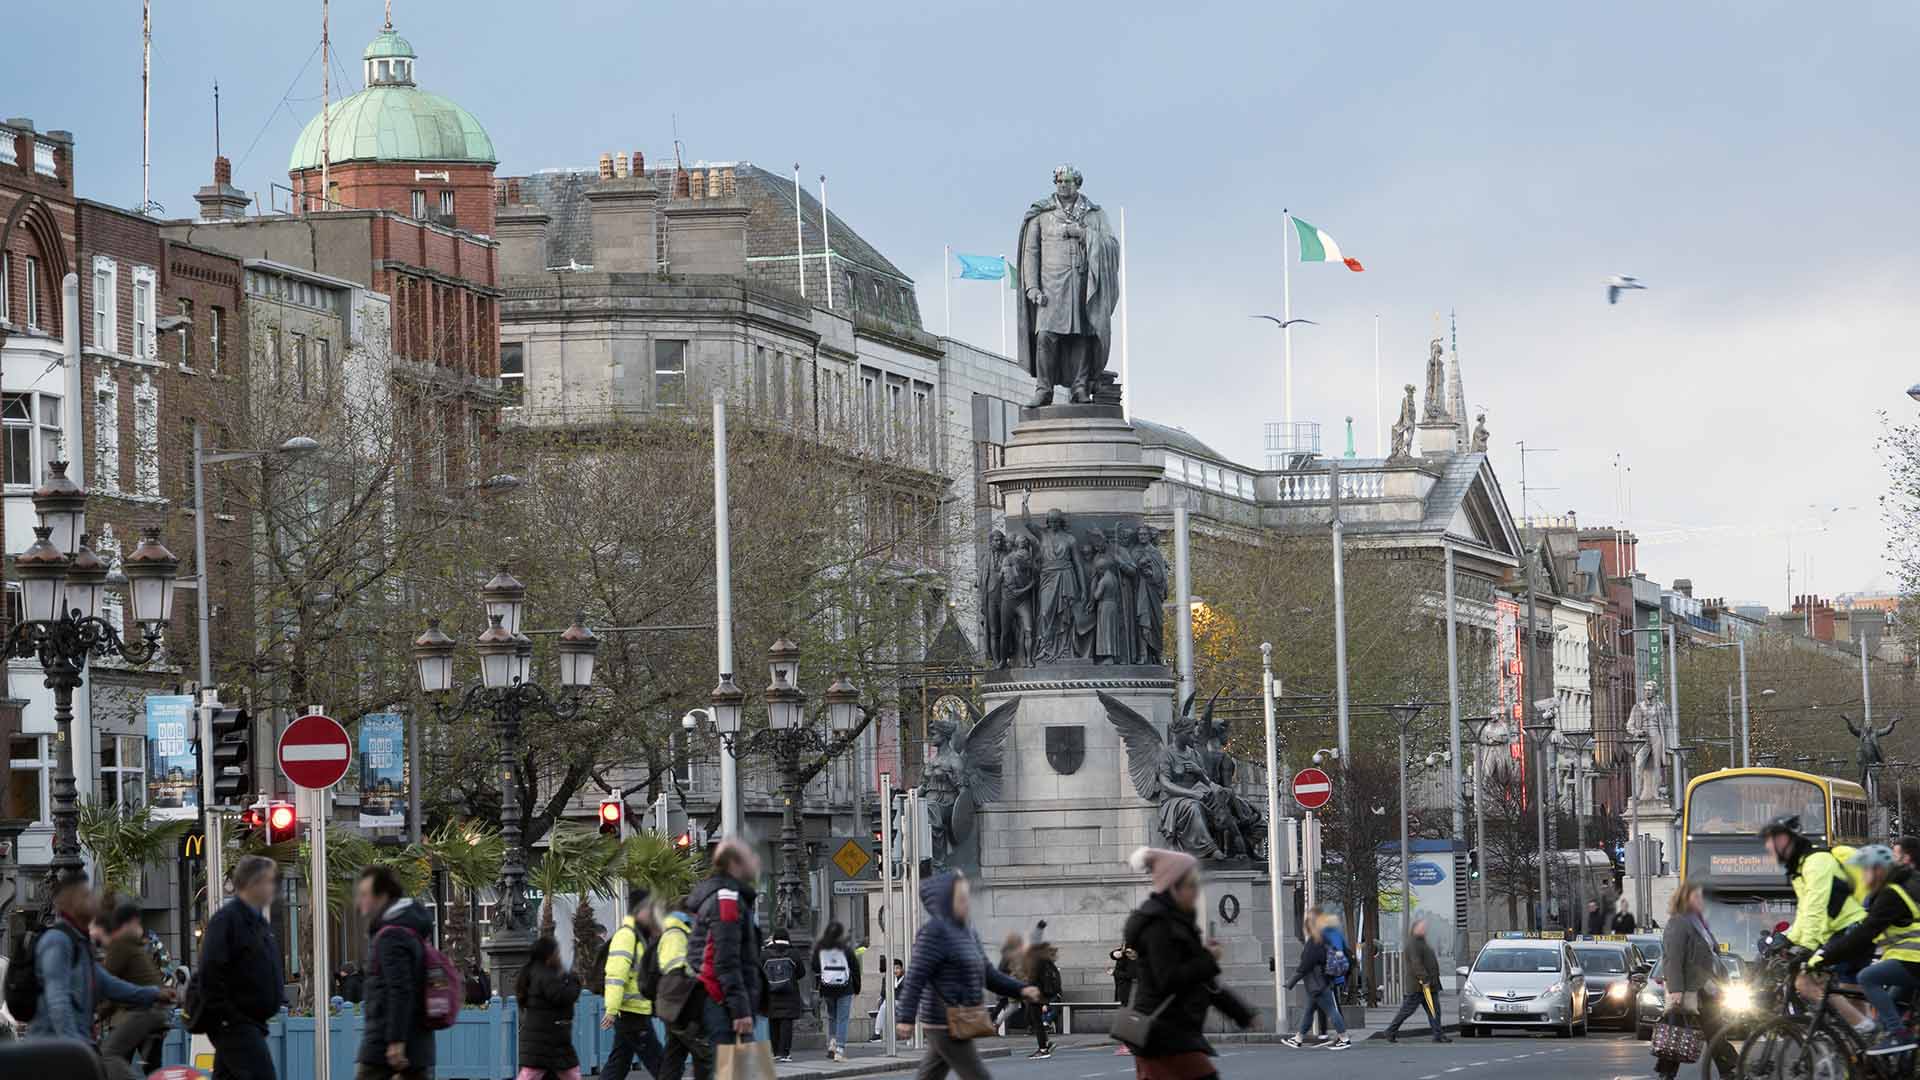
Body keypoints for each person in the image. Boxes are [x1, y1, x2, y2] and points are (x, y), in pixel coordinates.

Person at [1121, 848, 1256, 1077]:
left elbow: (1204, 983)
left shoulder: (1178, 923)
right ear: (1174, 887)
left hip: (1172, 1033)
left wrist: (1241, 1014)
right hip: (1163, 1034)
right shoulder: (1159, 926)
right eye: (1192, 885)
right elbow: (1169, 979)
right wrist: (1208, 958)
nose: (1196, 892)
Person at [895, 870, 1042, 1080]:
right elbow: (916, 976)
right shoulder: (934, 932)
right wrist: (906, 1018)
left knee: (930, 1075)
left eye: (967, 898)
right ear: (946, 901)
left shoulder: (967, 931)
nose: (967, 903)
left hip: (959, 1016)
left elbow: (987, 973)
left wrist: (1020, 988)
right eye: (961, 898)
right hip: (944, 1020)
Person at [29, 875, 171, 1052]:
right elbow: (58, 1002)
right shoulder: (58, 941)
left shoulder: (80, 943)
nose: (93, 900)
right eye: (86, 896)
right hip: (54, 1051)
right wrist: (74, 1048)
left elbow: (110, 985)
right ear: (71, 904)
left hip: (79, 1043)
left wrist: (155, 993)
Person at [1764, 814, 1872, 1035]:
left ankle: (1862, 1028)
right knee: (1849, 995)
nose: (1769, 849)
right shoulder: (1800, 871)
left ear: (1786, 841)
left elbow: (1816, 908)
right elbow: (1804, 913)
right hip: (1843, 932)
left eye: (1772, 842)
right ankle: (1868, 1044)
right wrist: (1788, 938)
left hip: (1851, 930)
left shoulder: (1817, 862)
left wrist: (1805, 947)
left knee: (1805, 981)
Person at [1815, 845, 1920, 1055]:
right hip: (1907, 959)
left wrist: (1825, 957)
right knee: (1887, 1012)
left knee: (1868, 977)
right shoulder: (1897, 888)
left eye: (1865, 870)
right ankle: (1900, 1060)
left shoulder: (1892, 893)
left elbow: (1864, 934)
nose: (1862, 876)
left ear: (1878, 870)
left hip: (1913, 959)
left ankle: (1898, 1038)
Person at [197, 855, 283, 1080]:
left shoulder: (258, 921)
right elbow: (210, 971)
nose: (273, 887)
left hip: (250, 1023)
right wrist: (228, 1017)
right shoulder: (228, 920)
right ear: (253, 883)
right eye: (269, 881)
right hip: (237, 1024)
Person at [354, 864, 436, 1080]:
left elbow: (400, 989)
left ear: (382, 896)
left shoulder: (391, 935)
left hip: (386, 1045)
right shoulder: (408, 929)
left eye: (364, 894)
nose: (359, 901)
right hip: (414, 1043)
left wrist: (395, 1041)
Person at [687, 838, 768, 1051]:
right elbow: (724, 959)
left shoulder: (725, 897)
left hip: (722, 1003)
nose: (756, 861)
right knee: (733, 1070)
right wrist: (740, 1009)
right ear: (734, 863)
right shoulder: (727, 900)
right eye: (750, 856)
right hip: (725, 1006)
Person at [1656, 883, 1739, 1079]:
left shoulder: (1698, 922)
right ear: (1685, 899)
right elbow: (1673, 958)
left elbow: (1710, 954)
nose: (1701, 901)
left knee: (1713, 1030)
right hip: (1688, 988)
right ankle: (1667, 1073)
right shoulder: (1678, 922)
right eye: (1697, 897)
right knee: (1677, 1032)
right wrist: (1676, 989)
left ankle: (1730, 1071)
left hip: (1705, 987)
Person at [99, 901, 170, 1080]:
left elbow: (106, 983)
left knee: (109, 1054)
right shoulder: (138, 947)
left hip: (140, 1013)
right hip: (158, 1014)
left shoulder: (121, 945)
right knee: (153, 1070)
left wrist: (96, 1014)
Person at [601, 888, 664, 1080]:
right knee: (660, 1063)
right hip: (631, 1012)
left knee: (618, 1063)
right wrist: (611, 1010)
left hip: (633, 1011)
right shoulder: (627, 936)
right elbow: (615, 975)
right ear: (639, 910)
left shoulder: (638, 935)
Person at [653, 895, 712, 1080]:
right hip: (681, 1003)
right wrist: (700, 973)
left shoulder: (680, 931)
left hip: (676, 1004)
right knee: (704, 1054)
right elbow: (675, 969)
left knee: (675, 1053)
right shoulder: (675, 933)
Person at [518, 936, 583, 1080]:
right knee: (569, 1073)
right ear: (549, 955)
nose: (559, 955)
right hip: (549, 1039)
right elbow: (563, 996)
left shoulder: (535, 972)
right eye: (557, 952)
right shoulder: (546, 975)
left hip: (543, 1038)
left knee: (533, 1073)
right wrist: (574, 980)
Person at [1283, 913, 1349, 1049]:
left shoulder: (1314, 943)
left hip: (1317, 983)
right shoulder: (1325, 940)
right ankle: (1298, 1038)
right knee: (1308, 1011)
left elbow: (1305, 966)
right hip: (1322, 981)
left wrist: (1291, 982)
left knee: (1331, 1010)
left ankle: (1344, 1038)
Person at [1382, 918, 1451, 1043]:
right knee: (1407, 1010)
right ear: (1414, 928)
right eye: (1421, 927)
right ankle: (1390, 1031)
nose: (1424, 929)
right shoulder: (1413, 943)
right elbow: (1416, 964)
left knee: (1434, 1010)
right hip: (1420, 985)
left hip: (1428, 985)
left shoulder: (1422, 942)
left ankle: (1438, 1035)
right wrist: (1424, 979)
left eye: (1424, 927)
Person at [812, 921, 860, 1061]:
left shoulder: (820, 948)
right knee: (842, 1019)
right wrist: (857, 987)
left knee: (832, 1017)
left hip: (827, 988)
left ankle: (832, 1043)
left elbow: (815, 967)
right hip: (844, 988)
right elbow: (855, 967)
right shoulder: (845, 948)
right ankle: (839, 1049)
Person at [762, 927, 807, 1063]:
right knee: (786, 1024)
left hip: (770, 994)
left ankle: (775, 1052)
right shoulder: (793, 953)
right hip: (789, 994)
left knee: (773, 1022)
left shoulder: (765, 954)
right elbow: (802, 973)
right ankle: (785, 1053)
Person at [1020, 941, 1062, 1058]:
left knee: (1036, 1022)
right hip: (1043, 995)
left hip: (1035, 995)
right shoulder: (1047, 962)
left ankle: (1043, 1049)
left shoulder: (1036, 962)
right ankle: (1046, 1044)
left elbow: (1032, 980)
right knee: (1035, 1021)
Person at [1107, 944, 1137, 1056]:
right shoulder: (1125, 953)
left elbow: (1133, 974)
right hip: (1124, 990)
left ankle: (1129, 1045)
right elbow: (1114, 954)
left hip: (1130, 991)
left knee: (1129, 1019)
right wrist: (1114, 954)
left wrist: (1114, 973)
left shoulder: (1134, 957)